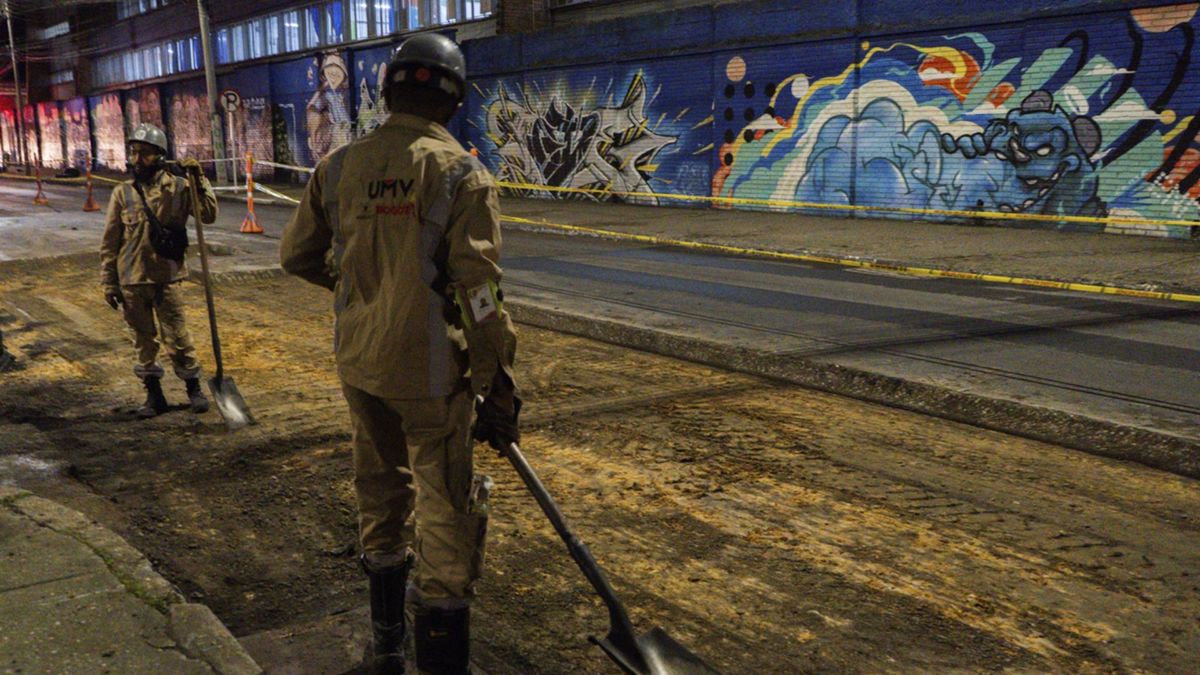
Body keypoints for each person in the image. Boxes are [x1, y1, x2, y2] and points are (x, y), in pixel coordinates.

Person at [280, 33, 519, 675]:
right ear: (454, 99)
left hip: (360, 364)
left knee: (380, 492)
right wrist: (499, 378)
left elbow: (295, 256)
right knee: (445, 506)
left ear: (387, 90)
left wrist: (363, 291)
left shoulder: (337, 167)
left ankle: (387, 646)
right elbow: (480, 294)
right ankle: (441, 661)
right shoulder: (461, 174)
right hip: (430, 374)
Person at [100, 122, 217, 419]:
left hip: (167, 277)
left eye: (145, 153)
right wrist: (109, 283)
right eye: (134, 152)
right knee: (143, 341)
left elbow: (208, 214)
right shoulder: (122, 193)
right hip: (132, 280)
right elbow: (110, 243)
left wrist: (199, 178)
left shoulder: (178, 188)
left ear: (160, 156)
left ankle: (194, 390)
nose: (137, 159)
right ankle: (154, 396)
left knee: (178, 337)